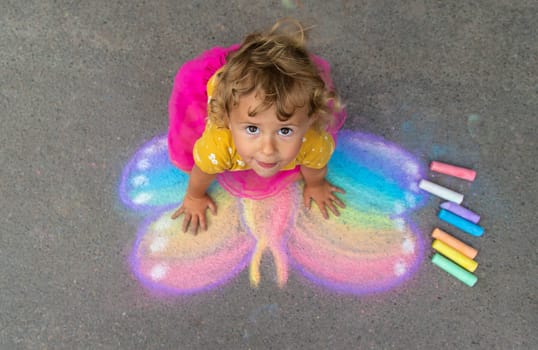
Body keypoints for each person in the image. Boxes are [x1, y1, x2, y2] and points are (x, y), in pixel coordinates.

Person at [167, 18, 347, 233]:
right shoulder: (219, 145)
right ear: (228, 121)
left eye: (285, 130)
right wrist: (194, 197)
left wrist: (315, 185)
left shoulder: (314, 142)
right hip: (221, 92)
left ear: (310, 120)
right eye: (252, 129)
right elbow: (202, 172)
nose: (268, 149)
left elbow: (315, 167)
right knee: (189, 130)